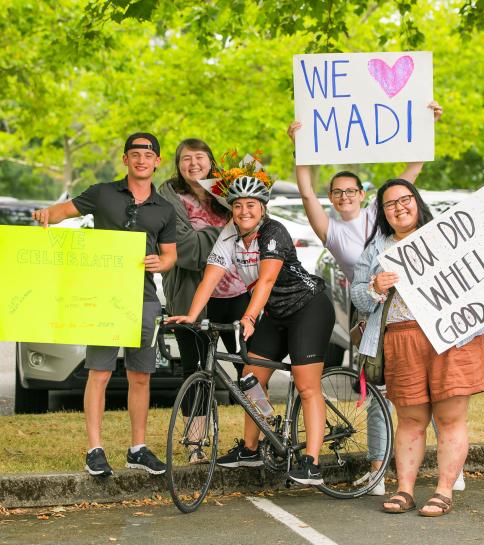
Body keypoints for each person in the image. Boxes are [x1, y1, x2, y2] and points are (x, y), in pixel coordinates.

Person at [350, 179, 484, 516]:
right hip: (401, 338)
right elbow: (358, 297)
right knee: (409, 418)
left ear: (417, 202)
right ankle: (404, 490)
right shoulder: (376, 250)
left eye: (405, 199)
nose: (399, 207)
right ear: (383, 213)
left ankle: (443, 491)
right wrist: (375, 287)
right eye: (390, 204)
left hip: (452, 337)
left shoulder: (448, 234)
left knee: (450, 418)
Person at [287, 101, 443, 496]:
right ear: (332, 196)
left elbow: (410, 175)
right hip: (368, 307)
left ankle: (447, 468)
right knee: (377, 392)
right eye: (336, 192)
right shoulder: (331, 230)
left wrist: (427, 126)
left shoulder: (380, 212)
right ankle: (377, 470)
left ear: (361, 193)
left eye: (349, 191)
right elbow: (305, 193)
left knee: (433, 388)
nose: (343, 197)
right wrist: (300, 150)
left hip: (410, 307)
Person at [168, 166, 335, 485]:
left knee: (305, 383)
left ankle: (312, 463)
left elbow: (267, 279)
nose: (244, 211)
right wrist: (191, 315)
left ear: (263, 208)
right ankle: (250, 448)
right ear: (231, 208)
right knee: (249, 378)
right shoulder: (229, 235)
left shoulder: (274, 232)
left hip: (308, 307)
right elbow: (210, 278)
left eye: (251, 205)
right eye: (238, 205)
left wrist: (248, 317)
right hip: (274, 314)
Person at [32, 132, 177, 477]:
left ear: (157, 162)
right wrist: (45, 214)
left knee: (141, 376)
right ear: (125, 160)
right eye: (134, 154)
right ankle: (94, 450)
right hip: (103, 298)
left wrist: (162, 262)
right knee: (99, 372)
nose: (141, 159)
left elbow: (170, 255)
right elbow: (63, 211)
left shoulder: (165, 210)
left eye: (148, 154)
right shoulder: (102, 193)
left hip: (143, 300)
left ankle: (137, 449)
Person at [158, 139, 249, 390]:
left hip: (236, 293)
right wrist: (230, 230)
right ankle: (194, 430)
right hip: (190, 294)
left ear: (211, 161)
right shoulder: (169, 196)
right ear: (178, 165)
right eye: (186, 158)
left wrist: (237, 226)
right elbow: (187, 249)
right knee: (194, 369)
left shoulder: (230, 188)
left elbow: (256, 225)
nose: (194, 163)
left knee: (250, 367)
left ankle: (259, 427)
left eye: (200, 157)